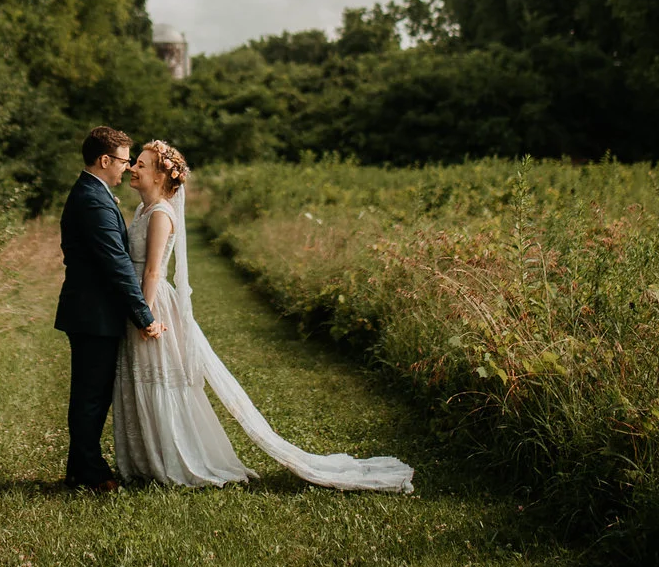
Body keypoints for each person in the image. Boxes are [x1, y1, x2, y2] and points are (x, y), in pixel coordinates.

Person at [110, 140, 414, 493]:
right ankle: (147, 460)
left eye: (143, 165)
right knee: (139, 378)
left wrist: (142, 316)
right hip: (138, 301)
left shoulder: (161, 213)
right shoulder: (143, 211)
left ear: (161, 175)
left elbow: (152, 273)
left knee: (158, 379)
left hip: (152, 303)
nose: (133, 168)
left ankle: (173, 462)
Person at [53, 126, 165, 491]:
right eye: (122, 160)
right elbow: (116, 264)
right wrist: (145, 317)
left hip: (93, 312)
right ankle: (88, 472)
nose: (127, 167)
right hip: (92, 314)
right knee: (90, 396)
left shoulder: (94, 194)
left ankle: (80, 469)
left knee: (92, 394)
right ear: (104, 160)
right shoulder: (93, 199)